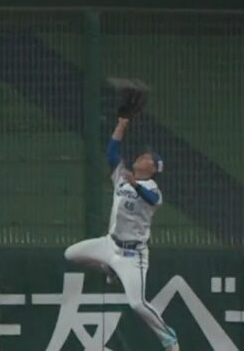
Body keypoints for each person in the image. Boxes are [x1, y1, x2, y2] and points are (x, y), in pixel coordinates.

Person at [63, 89, 179, 351]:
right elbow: (112, 154)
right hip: (110, 244)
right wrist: (122, 124)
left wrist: (135, 185)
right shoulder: (124, 176)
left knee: (137, 303)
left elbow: (150, 199)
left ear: (154, 168)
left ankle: (169, 338)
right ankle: (109, 269)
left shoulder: (152, 188)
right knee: (71, 254)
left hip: (133, 255)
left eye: (148, 158)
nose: (142, 156)